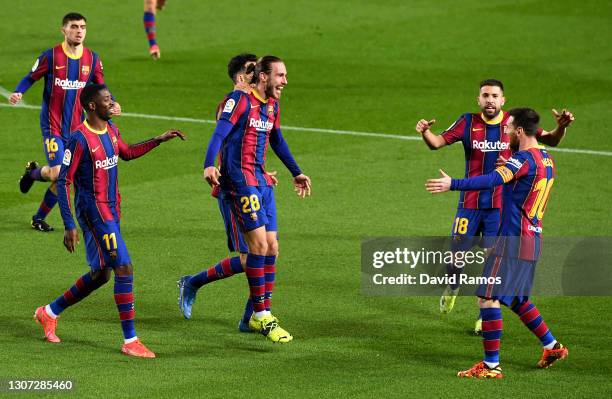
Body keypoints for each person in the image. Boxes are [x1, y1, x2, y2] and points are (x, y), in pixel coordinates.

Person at [33, 84, 185, 358]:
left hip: (112, 210)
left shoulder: (112, 130)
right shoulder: (78, 139)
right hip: (94, 212)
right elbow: (64, 180)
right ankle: (130, 341)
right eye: (106, 100)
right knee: (124, 268)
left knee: (101, 274)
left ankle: (49, 312)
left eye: (111, 98)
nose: (112, 103)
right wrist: (68, 224)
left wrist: (158, 140)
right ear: (92, 106)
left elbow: (126, 153)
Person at [415, 79, 574, 333]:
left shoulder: (515, 125)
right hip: (470, 203)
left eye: (495, 95)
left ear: (503, 101)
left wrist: (560, 128)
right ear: (478, 99)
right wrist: (424, 131)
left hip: (499, 207)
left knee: (492, 262)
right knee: (456, 258)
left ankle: (484, 315)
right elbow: (436, 143)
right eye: (485, 95)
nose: (490, 99)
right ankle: (453, 286)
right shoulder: (467, 122)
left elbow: (550, 140)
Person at [426, 107, 569, 379]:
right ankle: (552, 346)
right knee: (517, 299)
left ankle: (491, 366)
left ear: (518, 131)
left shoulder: (522, 160)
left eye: (508, 129)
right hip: (532, 238)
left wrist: (453, 184)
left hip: (512, 241)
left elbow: (493, 179)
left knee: (486, 297)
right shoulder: (546, 158)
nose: (504, 132)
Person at [195, 55, 311, 343]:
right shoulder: (240, 102)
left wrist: (296, 172)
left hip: (262, 182)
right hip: (239, 182)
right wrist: (209, 164)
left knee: (272, 247)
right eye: (280, 75)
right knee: (257, 246)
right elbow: (219, 134)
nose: (285, 81)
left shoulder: (272, 105)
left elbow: (277, 140)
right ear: (263, 77)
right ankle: (261, 316)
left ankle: (260, 313)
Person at [11, 12, 122, 232]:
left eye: (82, 27)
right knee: (57, 173)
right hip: (52, 125)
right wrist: (18, 92)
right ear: (64, 30)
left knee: (64, 176)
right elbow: (29, 77)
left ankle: (38, 215)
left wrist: (113, 104)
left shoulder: (92, 59)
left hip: (76, 129)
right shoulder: (51, 56)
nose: (79, 31)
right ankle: (33, 174)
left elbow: (102, 88)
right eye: (74, 27)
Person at [178, 53, 263, 333]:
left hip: (253, 184)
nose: (259, 73)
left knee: (264, 251)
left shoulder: (259, 103)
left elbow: (249, 145)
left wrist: (262, 172)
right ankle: (195, 283)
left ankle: (249, 318)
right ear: (242, 77)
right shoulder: (232, 103)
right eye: (253, 70)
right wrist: (209, 165)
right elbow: (221, 138)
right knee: (252, 256)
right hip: (232, 190)